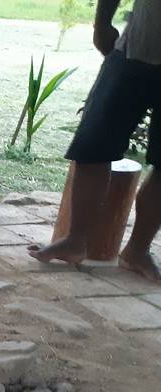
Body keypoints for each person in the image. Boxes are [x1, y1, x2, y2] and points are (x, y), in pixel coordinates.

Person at [28, 0, 161, 281]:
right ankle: (75, 241)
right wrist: (102, 24)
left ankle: (137, 250)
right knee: (93, 146)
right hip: (134, 49)